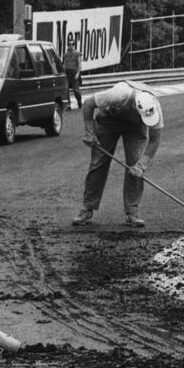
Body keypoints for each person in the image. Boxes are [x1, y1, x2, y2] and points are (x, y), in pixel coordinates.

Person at [73, 80, 163, 227]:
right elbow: (89, 103)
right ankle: (87, 208)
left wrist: (142, 164)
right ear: (135, 106)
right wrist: (89, 131)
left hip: (135, 127)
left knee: (135, 166)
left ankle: (132, 212)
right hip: (109, 121)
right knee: (98, 163)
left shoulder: (154, 108)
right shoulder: (118, 95)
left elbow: (155, 140)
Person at [62, 36, 83, 109]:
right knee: (66, 89)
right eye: (69, 45)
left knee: (76, 90)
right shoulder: (65, 54)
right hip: (67, 73)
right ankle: (68, 104)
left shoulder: (77, 54)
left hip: (74, 74)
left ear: (74, 45)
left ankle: (79, 101)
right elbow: (64, 64)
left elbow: (79, 64)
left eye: (72, 45)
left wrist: (78, 73)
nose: (70, 46)